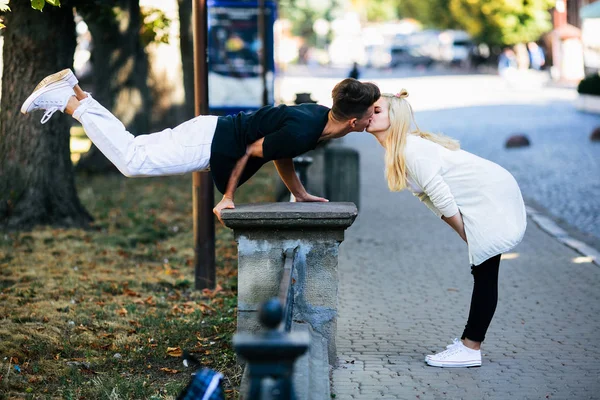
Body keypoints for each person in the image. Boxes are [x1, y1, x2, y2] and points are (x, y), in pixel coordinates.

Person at [21, 70, 379, 223]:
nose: (371, 121)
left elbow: (277, 151)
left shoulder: (317, 117)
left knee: (133, 148)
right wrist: (228, 196)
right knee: (131, 160)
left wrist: (299, 194)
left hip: (209, 133)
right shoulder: (307, 130)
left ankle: (75, 91)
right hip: (208, 143)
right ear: (353, 122)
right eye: (370, 116)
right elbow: (257, 150)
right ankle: (69, 101)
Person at [366, 90, 526, 368]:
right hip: (481, 200)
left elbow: (441, 196)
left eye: (377, 111)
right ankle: (468, 342)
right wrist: (466, 233)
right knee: (483, 271)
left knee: (485, 273)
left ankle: (470, 348)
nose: (369, 115)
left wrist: (467, 233)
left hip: (490, 198)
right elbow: (427, 197)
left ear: (395, 117)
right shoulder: (400, 149)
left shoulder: (409, 148)